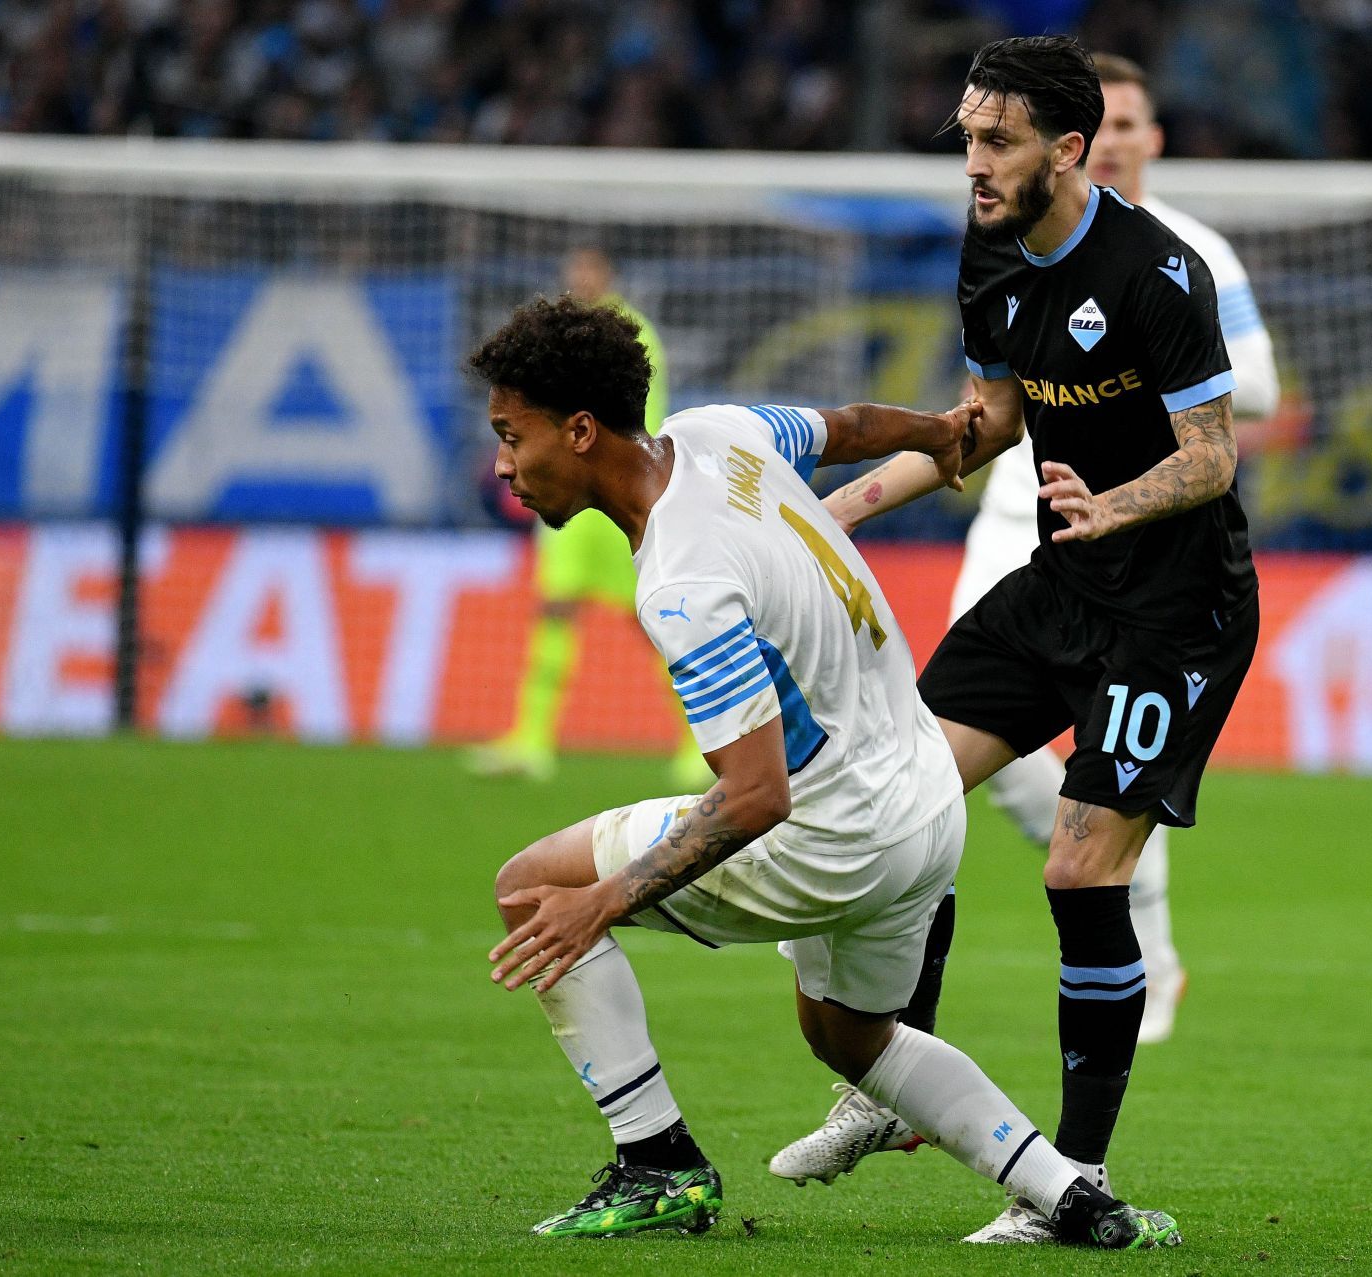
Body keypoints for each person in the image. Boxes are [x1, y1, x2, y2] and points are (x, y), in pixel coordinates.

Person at [471, 295, 1181, 1248]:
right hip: (928, 802)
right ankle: (1074, 1196)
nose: (505, 465)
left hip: (834, 834)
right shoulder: (715, 432)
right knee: (849, 1038)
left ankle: (657, 1164)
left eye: (513, 437)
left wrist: (603, 900)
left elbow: (758, 794)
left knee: (531, 887)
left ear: (582, 429)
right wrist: (939, 432)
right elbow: (847, 429)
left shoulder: (682, 583)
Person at [766, 50, 1285, 1198]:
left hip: (1176, 607)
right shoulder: (989, 249)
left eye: (997, 141)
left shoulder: (1163, 272)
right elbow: (987, 420)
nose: (975, 162)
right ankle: (883, 1088)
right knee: (895, 794)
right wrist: (835, 510)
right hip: (1063, 581)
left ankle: (1077, 1179)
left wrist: (1115, 501)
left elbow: (1212, 457)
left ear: (1068, 149)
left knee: (1077, 868)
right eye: (967, 136)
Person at [465, 246, 710, 789]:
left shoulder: (633, 337)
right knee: (554, 610)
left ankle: (697, 744)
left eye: (588, 273)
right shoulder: (557, 349)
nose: (580, 281)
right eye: (573, 274)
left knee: (651, 622)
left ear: (608, 278)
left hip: (614, 498)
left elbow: (636, 418)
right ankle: (531, 741)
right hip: (568, 501)